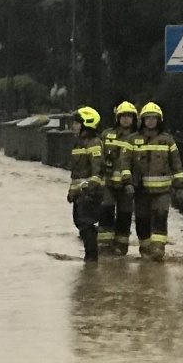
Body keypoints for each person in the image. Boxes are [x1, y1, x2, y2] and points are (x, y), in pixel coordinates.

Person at [125, 101, 183, 261]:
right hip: (140, 191)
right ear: (142, 120)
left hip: (162, 191)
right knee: (142, 220)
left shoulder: (168, 140)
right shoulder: (132, 140)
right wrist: (128, 182)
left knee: (160, 217)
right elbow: (125, 163)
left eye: (154, 118)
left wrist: (180, 186)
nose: (151, 121)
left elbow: (177, 164)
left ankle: (158, 251)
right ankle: (145, 250)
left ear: (159, 120)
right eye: (147, 118)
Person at [68, 106, 106, 262]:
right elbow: (76, 173)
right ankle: (91, 256)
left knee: (85, 224)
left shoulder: (93, 143)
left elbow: (98, 170)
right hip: (80, 193)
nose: (73, 126)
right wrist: (72, 190)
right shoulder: (79, 143)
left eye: (77, 123)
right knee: (80, 224)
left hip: (90, 193)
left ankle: (91, 259)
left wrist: (88, 188)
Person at [99, 101, 138, 255]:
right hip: (108, 183)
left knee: (124, 216)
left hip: (127, 185)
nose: (126, 119)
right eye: (123, 116)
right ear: (117, 117)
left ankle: (121, 248)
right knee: (106, 212)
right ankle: (104, 247)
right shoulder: (107, 135)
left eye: (129, 116)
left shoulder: (137, 137)